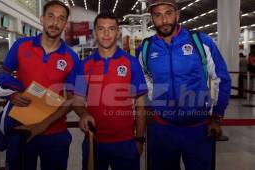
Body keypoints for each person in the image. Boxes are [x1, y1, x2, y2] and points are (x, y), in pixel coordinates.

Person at [137, 0, 231, 170]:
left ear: (177, 14)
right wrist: (153, 104)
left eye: (168, 13)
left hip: (198, 130)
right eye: (157, 15)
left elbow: (221, 78)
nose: (164, 20)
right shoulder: (146, 48)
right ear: (152, 18)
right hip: (162, 130)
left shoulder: (200, 42)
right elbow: (146, 79)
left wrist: (217, 116)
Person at [0, 1, 79, 169]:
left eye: (61, 19)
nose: (55, 22)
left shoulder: (72, 58)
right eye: (51, 16)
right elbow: (3, 77)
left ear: (65, 24)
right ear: (42, 19)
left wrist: (44, 124)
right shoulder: (21, 46)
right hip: (20, 127)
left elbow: (73, 99)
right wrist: (12, 95)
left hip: (55, 133)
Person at [73, 11, 148, 170]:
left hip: (125, 143)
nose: (106, 34)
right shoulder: (84, 65)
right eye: (101, 29)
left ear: (118, 32)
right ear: (95, 32)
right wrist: (83, 113)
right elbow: (78, 100)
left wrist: (140, 139)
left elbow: (141, 104)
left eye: (111, 29)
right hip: (93, 141)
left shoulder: (131, 63)